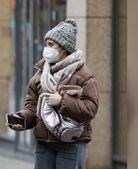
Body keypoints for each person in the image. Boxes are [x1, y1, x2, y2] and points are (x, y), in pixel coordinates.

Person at [8, 19, 99, 169]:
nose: (46, 49)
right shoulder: (39, 76)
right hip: (44, 144)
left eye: (51, 44)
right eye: (46, 44)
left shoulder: (84, 75)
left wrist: (62, 101)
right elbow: (32, 108)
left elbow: (90, 109)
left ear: (63, 48)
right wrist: (22, 119)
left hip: (72, 144)